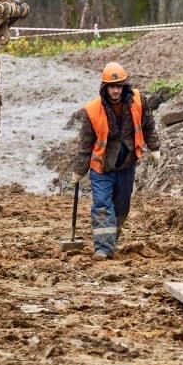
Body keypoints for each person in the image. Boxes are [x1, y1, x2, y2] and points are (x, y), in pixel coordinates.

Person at [71, 62, 160, 259]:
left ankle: (112, 234)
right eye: (111, 87)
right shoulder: (93, 110)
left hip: (127, 165)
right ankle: (103, 248)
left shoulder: (138, 101)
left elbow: (148, 126)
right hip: (101, 167)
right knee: (102, 205)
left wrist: (154, 148)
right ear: (104, 88)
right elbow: (85, 144)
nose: (115, 91)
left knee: (121, 207)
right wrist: (79, 171)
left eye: (119, 86)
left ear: (124, 87)